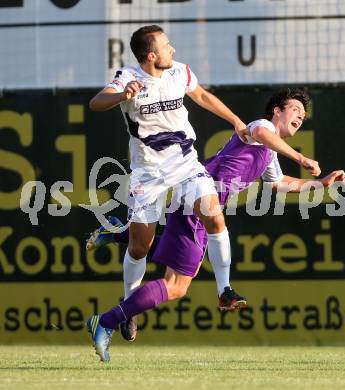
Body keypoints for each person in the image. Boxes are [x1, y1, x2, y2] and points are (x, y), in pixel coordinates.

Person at [86, 88, 345, 362]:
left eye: (303, 116)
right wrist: (301, 158)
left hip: (197, 200)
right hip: (200, 197)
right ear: (277, 111)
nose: (300, 116)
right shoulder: (262, 127)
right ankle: (106, 321)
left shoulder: (270, 154)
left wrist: (322, 183)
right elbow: (259, 134)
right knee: (176, 285)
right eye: (295, 109)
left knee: (186, 269)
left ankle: (119, 234)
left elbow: (280, 184)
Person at [88, 24, 249, 323]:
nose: (172, 49)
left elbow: (201, 95)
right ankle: (129, 306)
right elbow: (96, 103)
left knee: (213, 215)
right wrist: (123, 95)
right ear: (151, 55)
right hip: (148, 172)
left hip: (186, 164)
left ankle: (225, 289)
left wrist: (235, 120)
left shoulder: (178, 71)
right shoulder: (129, 77)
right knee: (140, 246)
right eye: (166, 45)